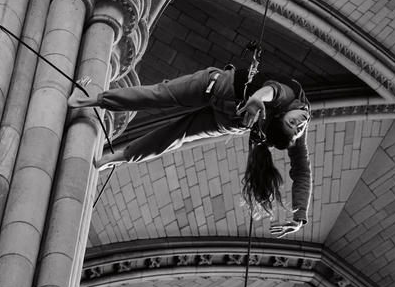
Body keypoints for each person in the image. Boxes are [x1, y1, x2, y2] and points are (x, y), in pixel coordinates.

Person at [68, 66, 311, 237]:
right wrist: (257, 98)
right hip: (218, 90)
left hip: (228, 111)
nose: (300, 124)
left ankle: (117, 154)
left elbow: (300, 170)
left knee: (172, 126)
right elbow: (274, 90)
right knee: (161, 98)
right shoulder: (294, 100)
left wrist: (299, 215)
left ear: (280, 118)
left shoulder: (288, 117)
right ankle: (94, 109)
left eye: (293, 126)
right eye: (299, 125)